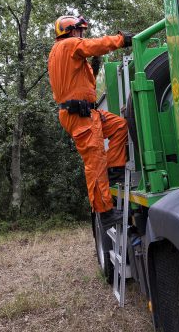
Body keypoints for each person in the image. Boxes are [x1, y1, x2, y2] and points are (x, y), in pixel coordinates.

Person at [47, 15, 131, 227]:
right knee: (95, 163)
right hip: (79, 116)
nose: (82, 35)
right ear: (71, 31)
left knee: (119, 126)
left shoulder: (58, 53)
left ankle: (114, 171)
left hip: (87, 113)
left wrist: (91, 68)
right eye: (80, 31)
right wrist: (121, 40)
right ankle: (105, 213)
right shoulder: (68, 45)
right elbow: (95, 45)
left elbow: (78, 83)